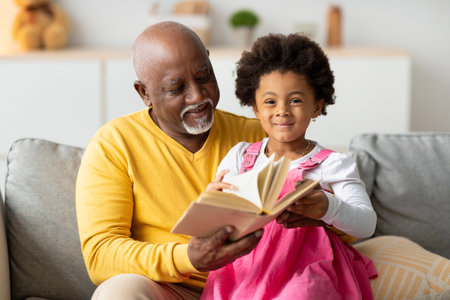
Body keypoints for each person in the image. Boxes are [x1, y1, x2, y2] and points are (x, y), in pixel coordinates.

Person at [75, 21, 266, 299]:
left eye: (204, 77)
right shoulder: (114, 144)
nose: (198, 96)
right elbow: (101, 254)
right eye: (176, 88)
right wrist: (188, 258)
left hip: (258, 286)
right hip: (171, 289)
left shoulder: (257, 134)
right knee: (118, 292)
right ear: (144, 93)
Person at [201, 33, 378, 299]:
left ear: (316, 107)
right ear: (256, 109)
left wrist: (327, 206)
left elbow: (366, 224)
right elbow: (215, 221)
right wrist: (213, 201)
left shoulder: (333, 163)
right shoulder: (240, 156)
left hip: (307, 266)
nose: (282, 110)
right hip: (247, 266)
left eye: (295, 100)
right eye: (270, 101)